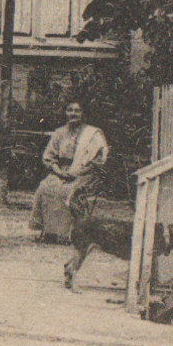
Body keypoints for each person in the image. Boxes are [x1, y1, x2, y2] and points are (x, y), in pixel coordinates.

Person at [30, 100, 109, 243]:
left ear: (84, 113)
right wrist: (59, 171)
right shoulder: (59, 133)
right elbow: (49, 157)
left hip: (85, 173)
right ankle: (49, 232)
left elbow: (98, 160)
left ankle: (67, 234)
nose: (73, 114)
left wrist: (78, 172)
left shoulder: (93, 133)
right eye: (70, 110)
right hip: (62, 170)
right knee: (45, 187)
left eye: (77, 110)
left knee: (67, 191)